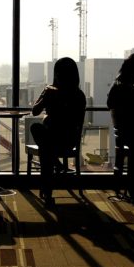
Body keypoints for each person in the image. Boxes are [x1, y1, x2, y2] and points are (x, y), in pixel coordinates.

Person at [30, 57, 86, 206]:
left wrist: (49, 97)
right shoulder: (79, 95)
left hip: (61, 138)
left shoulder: (66, 94)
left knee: (44, 145)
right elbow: (35, 111)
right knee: (46, 146)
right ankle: (56, 167)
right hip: (66, 139)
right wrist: (46, 96)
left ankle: (48, 191)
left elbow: (35, 112)